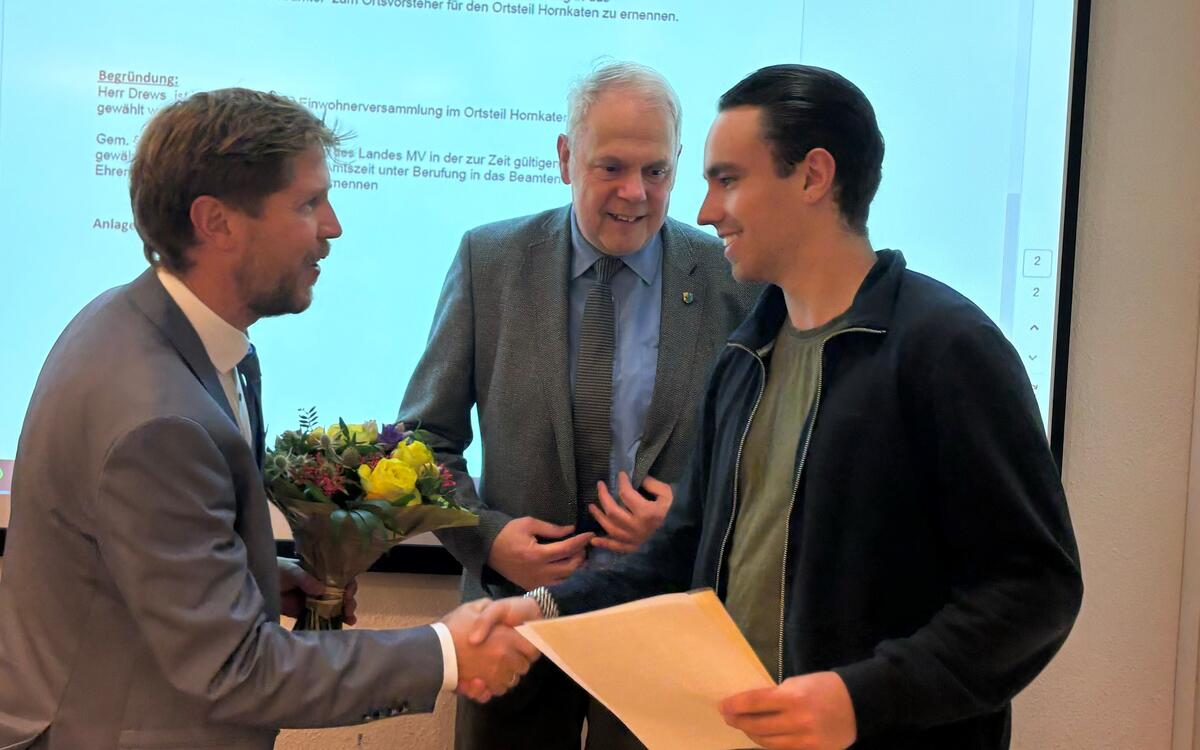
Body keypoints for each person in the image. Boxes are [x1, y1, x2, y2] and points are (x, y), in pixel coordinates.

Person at [480, 64, 1084, 749]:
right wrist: (538, 611)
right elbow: (681, 554)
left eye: (728, 180)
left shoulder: (948, 348)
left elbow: (1034, 591)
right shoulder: (747, 353)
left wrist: (859, 699)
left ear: (813, 176)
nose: (705, 211)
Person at [0, 88, 538, 750]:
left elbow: (139, 562)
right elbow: (234, 669)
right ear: (216, 222)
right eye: (309, 203)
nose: (333, 227)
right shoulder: (158, 420)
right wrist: (446, 653)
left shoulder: (142, 323)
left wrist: (257, 578)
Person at [398, 62, 759, 749]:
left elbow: (769, 451)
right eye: (611, 167)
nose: (635, 193)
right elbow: (421, 440)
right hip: (515, 627)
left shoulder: (729, 275)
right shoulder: (489, 260)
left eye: (656, 171)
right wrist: (488, 539)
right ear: (566, 158)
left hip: (665, 630)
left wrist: (690, 523)